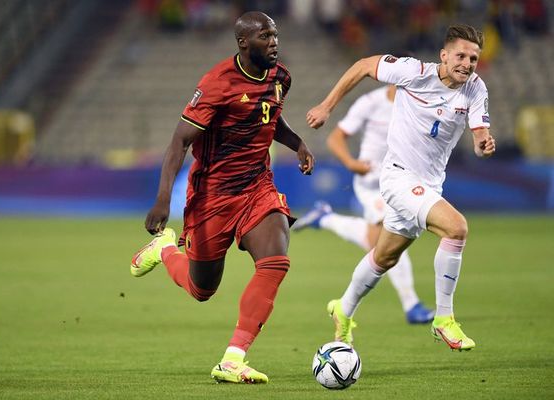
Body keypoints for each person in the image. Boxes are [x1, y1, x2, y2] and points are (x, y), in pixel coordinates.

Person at [130, 11, 314, 384]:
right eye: (265, 36)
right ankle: (164, 250)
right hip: (213, 194)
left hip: (257, 186)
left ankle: (233, 358)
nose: (274, 42)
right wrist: (163, 199)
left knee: (276, 261)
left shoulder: (281, 77)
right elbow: (180, 141)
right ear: (244, 43)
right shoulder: (217, 83)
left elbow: (269, 117)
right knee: (202, 289)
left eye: (275, 34)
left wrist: (298, 144)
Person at [307, 24, 496, 351]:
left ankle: (344, 307)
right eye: (461, 55)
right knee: (456, 229)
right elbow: (363, 65)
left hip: (430, 185)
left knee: (384, 256)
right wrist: (326, 106)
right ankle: (444, 319)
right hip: (397, 177)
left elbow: (479, 133)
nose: (467, 63)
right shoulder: (414, 72)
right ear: (444, 55)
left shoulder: (475, 89)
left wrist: (483, 144)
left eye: (474, 58)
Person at [292, 84, 435, 325]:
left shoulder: (416, 104)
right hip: (372, 183)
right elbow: (336, 137)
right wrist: (350, 163)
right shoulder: (370, 102)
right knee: (390, 237)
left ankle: (324, 217)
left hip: (402, 180)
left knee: (378, 244)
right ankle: (411, 305)